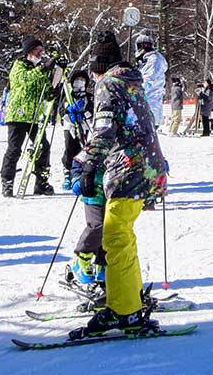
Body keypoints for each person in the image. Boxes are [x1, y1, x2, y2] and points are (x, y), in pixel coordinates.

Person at [69, 29, 171, 338]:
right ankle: (124, 301)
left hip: (130, 168)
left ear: (98, 67)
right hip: (145, 167)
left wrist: (85, 164)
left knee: (115, 237)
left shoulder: (108, 85)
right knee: (120, 236)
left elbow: (104, 130)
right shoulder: (132, 82)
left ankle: (125, 311)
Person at [2, 37, 55, 196]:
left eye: (41, 51)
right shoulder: (18, 66)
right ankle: (7, 181)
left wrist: (52, 90)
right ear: (28, 52)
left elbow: (43, 90)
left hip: (34, 117)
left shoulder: (38, 69)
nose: (40, 54)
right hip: (18, 116)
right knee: (14, 149)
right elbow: (25, 80)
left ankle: (41, 182)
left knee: (43, 147)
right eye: (37, 51)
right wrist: (43, 69)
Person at [61, 68, 93, 166]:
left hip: (84, 125)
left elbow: (92, 108)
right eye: (77, 80)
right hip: (70, 125)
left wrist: (85, 112)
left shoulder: (89, 97)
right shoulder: (68, 96)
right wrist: (68, 111)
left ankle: (81, 167)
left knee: (84, 146)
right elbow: (61, 109)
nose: (79, 83)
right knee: (70, 146)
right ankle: (68, 168)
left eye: (82, 80)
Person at [136, 36, 167, 132]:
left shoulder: (154, 60)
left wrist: (134, 92)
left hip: (149, 106)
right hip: (147, 106)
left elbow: (148, 81)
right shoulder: (147, 60)